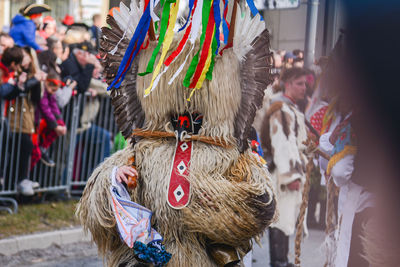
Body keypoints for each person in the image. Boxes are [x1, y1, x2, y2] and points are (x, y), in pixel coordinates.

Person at [260, 67, 309, 267]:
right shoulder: (280, 110)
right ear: (287, 83)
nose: (304, 88)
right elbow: (282, 144)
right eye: (299, 83)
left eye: (305, 84)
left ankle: (282, 261)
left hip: (289, 172)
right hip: (283, 176)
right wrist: (291, 177)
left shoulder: (288, 108)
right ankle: (278, 263)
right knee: (281, 220)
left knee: (286, 219)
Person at [6, 47, 45, 196]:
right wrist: (34, 79)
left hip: (26, 118)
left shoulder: (29, 72)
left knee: (25, 148)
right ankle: (17, 181)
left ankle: (20, 181)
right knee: (19, 148)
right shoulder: (15, 71)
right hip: (14, 119)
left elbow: (36, 98)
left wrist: (36, 79)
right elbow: (19, 89)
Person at [32, 70, 67, 168]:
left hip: (38, 122)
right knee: (35, 153)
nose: (53, 93)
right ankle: (19, 179)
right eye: (52, 90)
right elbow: (45, 107)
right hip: (33, 122)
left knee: (60, 123)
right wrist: (55, 126)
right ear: (47, 83)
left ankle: (43, 148)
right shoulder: (42, 89)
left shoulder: (50, 93)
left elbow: (53, 106)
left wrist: (61, 124)